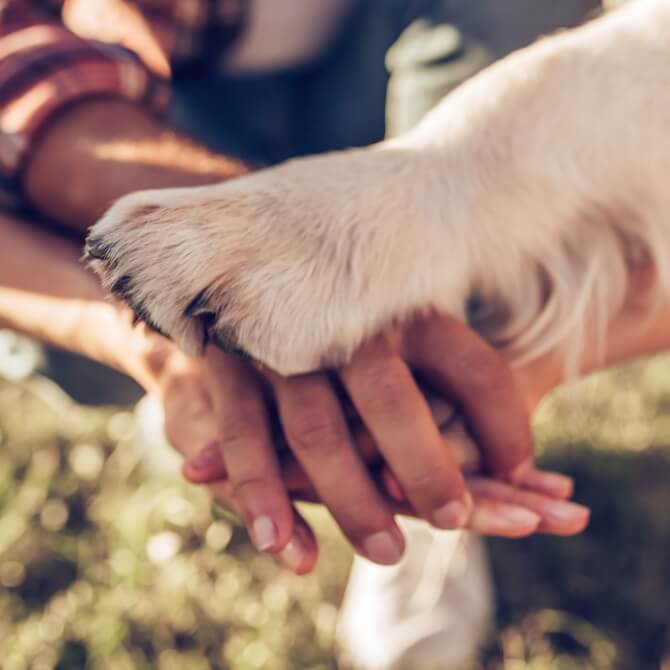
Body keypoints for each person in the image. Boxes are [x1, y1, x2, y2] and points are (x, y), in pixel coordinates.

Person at [0, 1, 627, 668]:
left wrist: (505, 364)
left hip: (410, 95)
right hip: (151, 106)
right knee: (99, 304)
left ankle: (417, 440)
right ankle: (366, 426)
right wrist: (180, 321)